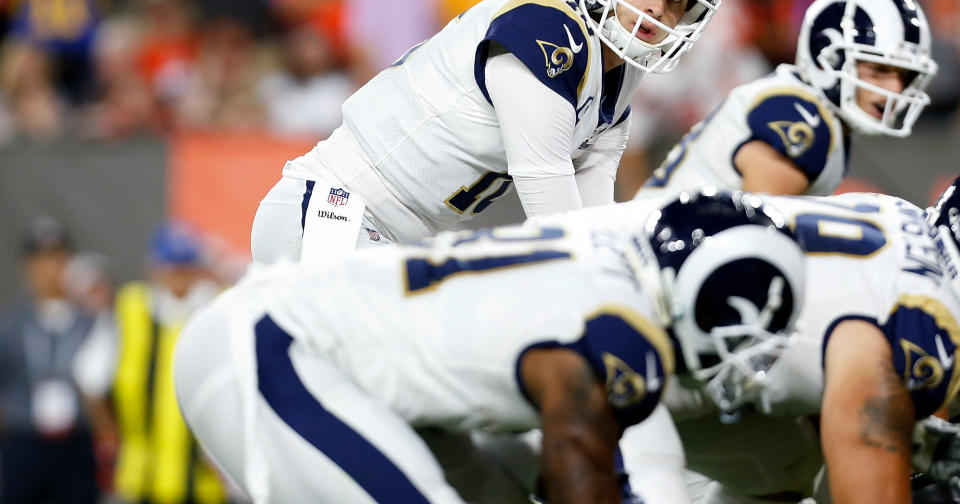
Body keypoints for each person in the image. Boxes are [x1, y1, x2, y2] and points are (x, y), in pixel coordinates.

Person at [174, 191, 804, 503]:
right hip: (280, 349)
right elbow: (577, 455)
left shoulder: (599, 280)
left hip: (307, 359)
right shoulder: (622, 330)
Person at [250, 0, 725, 264]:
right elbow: (559, 223)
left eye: (677, 0)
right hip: (338, 207)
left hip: (403, 235)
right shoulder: (546, 28)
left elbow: (593, 208)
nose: (658, 10)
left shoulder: (620, 67)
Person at [596, 188, 960, 504]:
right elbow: (862, 435)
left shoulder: (896, 213)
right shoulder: (928, 324)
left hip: (644, 300)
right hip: (622, 344)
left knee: (786, 466)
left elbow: (821, 354)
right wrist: (901, 437)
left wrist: (914, 436)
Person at [637, 0, 937, 199]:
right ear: (828, 59)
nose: (895, 88)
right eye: (879, 71)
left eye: (905, 77)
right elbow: (757, 237)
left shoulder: (811, 111)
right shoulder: (804, 118)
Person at [111, 220, 229, 504]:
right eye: (171, 267)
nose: (178, 277)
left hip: (204, 480)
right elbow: (91, 377)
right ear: (153, 268)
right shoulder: (133, 308)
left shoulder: (220, 310)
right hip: (142, 476)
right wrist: (114, 440)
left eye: (184, 268)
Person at [0, 216, 99, 504]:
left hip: (76, 444)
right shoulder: (11, 324)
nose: (50, 269)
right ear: (27, 266)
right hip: (24, 443)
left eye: (57, 258)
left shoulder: (90, 322)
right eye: (41, 260)